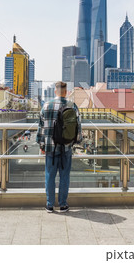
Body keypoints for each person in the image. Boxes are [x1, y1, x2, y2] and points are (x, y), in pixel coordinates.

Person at [36, 81, 82, 213]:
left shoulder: (46, 106)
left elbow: (41, 127)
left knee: (50, 176)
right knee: (64, 176)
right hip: (66, 147)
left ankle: (50, 205)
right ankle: (63, 204)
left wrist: (41, 143)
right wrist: (76, 142)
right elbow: (78, 128)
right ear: (66, 92)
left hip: (50, 147)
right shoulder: (72, 106)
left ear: (55, 92)